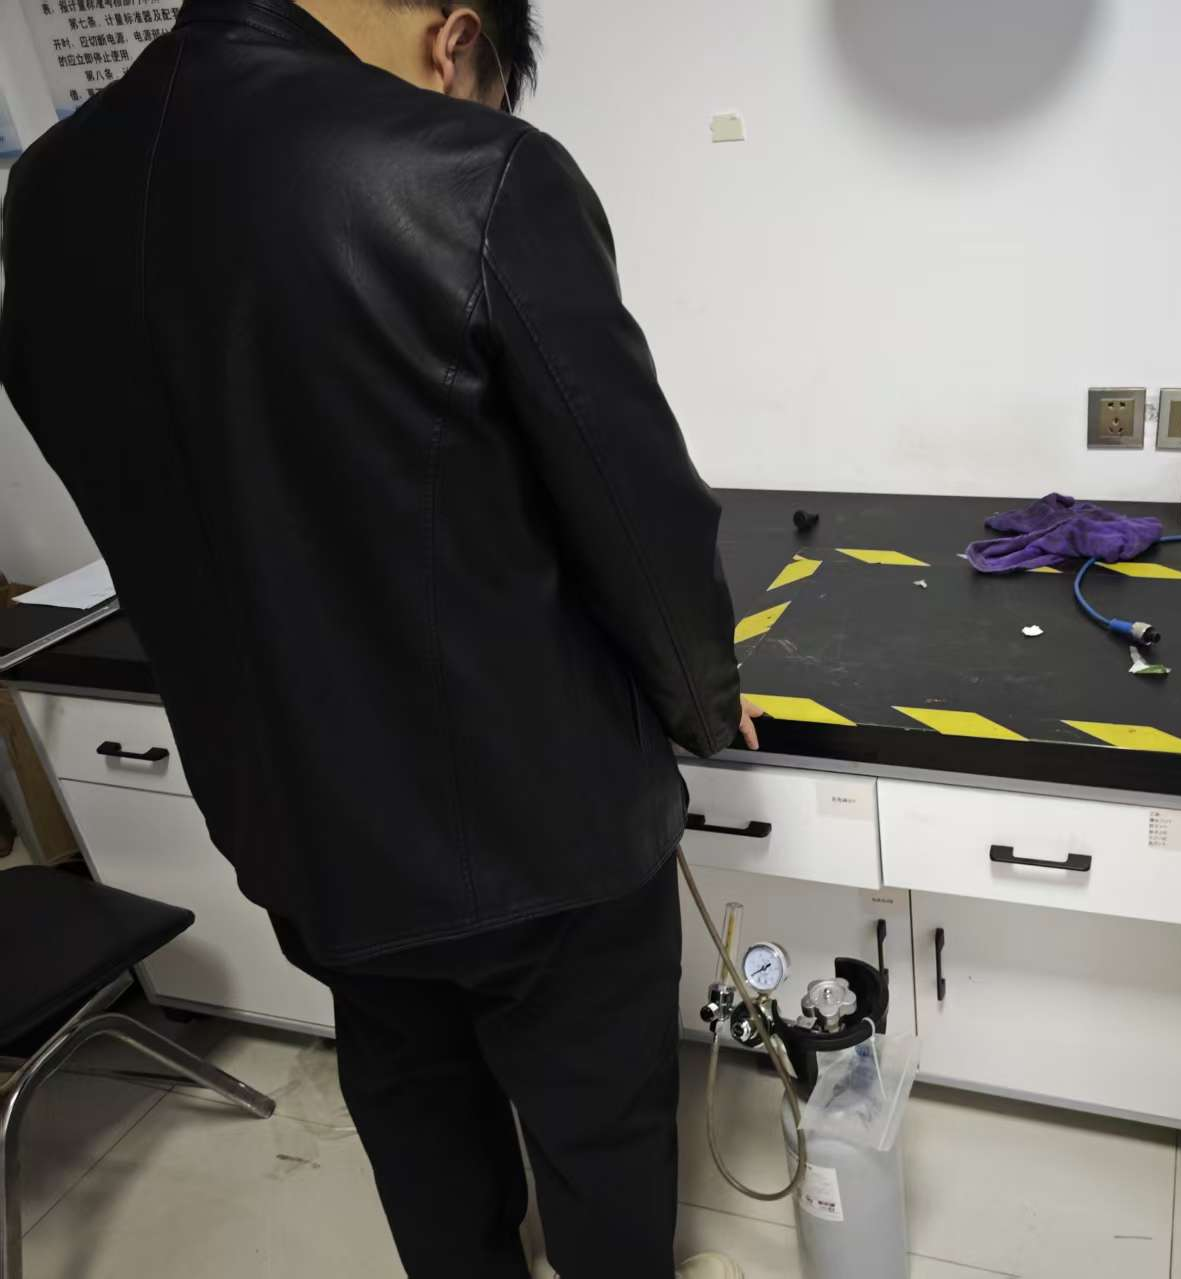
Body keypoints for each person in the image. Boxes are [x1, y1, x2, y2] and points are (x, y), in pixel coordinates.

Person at [0, 1, 757, 1276]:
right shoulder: (475, 168)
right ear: (455, 40)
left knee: (413, 1111)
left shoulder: (51, 189)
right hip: (540, 823)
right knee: (600, 1134)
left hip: (294, 823)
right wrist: (700, 695)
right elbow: (634, 511)